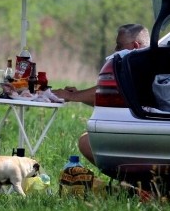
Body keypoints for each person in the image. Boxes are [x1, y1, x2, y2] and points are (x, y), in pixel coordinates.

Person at [53, 23, 150, 164]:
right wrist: (79, 95)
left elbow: (111, 91)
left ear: (135, 45)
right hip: (141, 130)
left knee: (86, 142)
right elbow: (111, 99)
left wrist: (71, 96)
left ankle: (130, 181)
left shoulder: (137, 67)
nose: (115, 50)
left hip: (143, 135)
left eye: (119, 45)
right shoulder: (145, 64)